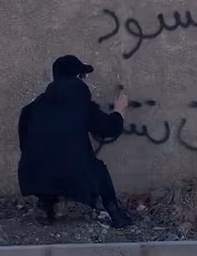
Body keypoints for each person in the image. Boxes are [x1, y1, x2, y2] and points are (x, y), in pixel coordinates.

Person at [18, 55, 133, 228]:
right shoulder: (81, 103)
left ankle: (47, 208)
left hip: (33, 175)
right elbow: (107, 129)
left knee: (47, 161)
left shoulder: (32, 108)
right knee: (99, 170)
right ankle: (117, 215)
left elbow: (24, 144)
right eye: (83, 76)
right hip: (72, 175)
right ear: (78, 77)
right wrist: (119, 111)